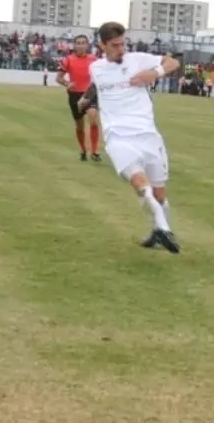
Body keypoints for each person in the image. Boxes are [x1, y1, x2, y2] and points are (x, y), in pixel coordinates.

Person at [78, 21, 181, 253]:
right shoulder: (96, 68)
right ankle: (164, 228)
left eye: (122, 44)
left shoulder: (138, 59)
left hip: (148, 134)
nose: (120, 49)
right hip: (118, 136)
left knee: (159, 193)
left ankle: (159, 231)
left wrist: (154, 73)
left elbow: (173, 61)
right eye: (114, 45)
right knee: (138, 182)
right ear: (102, 45)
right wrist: (85, 100)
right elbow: (97, 86)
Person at [57, 34, 101, 162]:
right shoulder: (68, 60)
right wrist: (67, 83)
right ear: (74, 45)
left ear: (87, 45)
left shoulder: (94, 60)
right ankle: (83, 150)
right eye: (78, 43)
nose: (81, 45)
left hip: (90, 93)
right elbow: (59, 78)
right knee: (80, 125)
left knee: (93, 118)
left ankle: (94, 151)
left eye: (83, 43)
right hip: (75, 95)